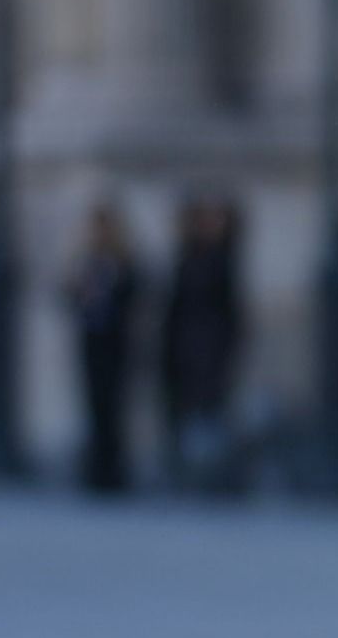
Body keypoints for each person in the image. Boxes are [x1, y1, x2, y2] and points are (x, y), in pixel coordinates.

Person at [157, 192, 247, 493]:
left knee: (210, 416)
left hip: (210, 351)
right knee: (187, 416)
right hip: (186, 350)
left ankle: (211, 477)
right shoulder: (187, 257)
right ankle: (191, 474)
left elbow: (229, 312)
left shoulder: (222, 261)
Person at [62, 199, 143, 494]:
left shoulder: (124, 262)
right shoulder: (86, 262)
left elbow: (135, 296)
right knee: (93, 407)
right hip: (91, 341)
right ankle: (96, 470)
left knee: (115, 409)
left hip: (117, 344)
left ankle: (114, 471)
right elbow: (68, 296)